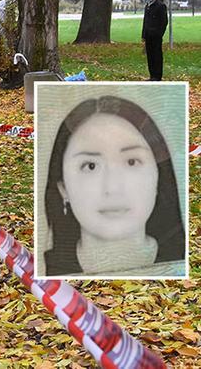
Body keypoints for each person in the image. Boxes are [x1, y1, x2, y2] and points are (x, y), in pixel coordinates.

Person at [43, 95, 185, 276]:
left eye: (132, 162)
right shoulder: (44, 270)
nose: (113, 188)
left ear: (158, 176)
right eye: (90, 166)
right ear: (63, 188)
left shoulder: (181, 259)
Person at [142, 0, 168, 81]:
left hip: (156, 36)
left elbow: (164, 22)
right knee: (150, 56)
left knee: (157, 55)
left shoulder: (160, 6)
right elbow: (145, 21)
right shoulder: (147, 6)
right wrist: (143, 35)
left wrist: (159, 33)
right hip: (148, 35)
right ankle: (152, 75)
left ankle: (157, 76)